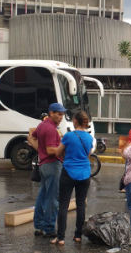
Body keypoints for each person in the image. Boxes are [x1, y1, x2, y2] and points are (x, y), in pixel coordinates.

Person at [51, 111, 93, 245]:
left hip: (68, 172)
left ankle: (61, 237)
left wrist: (66, 151)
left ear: (75, 120)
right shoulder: (89, 137)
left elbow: (57, 152)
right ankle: (78, 235)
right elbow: (88, 154)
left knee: (63, 205)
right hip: (85, 173)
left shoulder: (68, 136)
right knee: (81, 204)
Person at [27, 103, 66, 238]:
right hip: (53, 165)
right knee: (52, 198)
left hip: (43, 165)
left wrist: (40, 150)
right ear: (51, 113)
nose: (61, 117)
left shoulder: (42, 125)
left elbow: (31, 137)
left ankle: (38, 226)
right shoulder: (51, 129)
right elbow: (50, 150)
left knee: (42, 196)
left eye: (62, 115)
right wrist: (65, 151)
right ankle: (49, 229)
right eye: (59, 114)